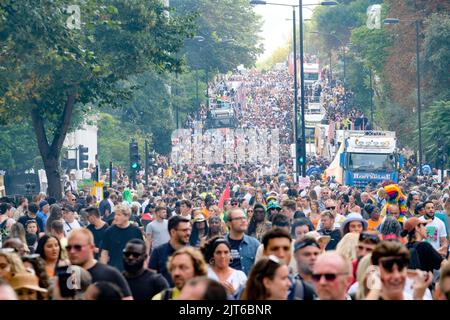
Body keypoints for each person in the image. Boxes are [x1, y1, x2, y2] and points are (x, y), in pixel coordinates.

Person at [67, 228, 132, 299]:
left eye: (77, 247)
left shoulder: (110, 274)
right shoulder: (66, 275)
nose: (72, 251)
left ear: (91, 247)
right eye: (69, 248)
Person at [367, 241, 433, 300]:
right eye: (389, 269)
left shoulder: (423, 297)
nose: (396, 276)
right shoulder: (360, 294)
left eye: (400, 268)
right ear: (376, 271)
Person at [149, 215, 191, 286]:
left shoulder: (193, 254)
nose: (188, 233)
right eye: (184, 230)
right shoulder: (158, 252)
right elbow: (151, 280)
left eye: (189, 229)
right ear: (173, 232)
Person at [100, 204, 143, 272]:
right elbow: (104, 253)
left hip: (132, 271)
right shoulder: (109, 231)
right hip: (113, 271)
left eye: (119, 215)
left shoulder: (136, 231)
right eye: (115, 214)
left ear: (127, 216)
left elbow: (141, 252)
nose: (115, 217)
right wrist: (103, 271)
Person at [225, 208, 260, 276]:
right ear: (229, 223)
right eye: (238, 218)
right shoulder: (220, 244)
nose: (243, 220)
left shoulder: (255, 244)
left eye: (244, 218)